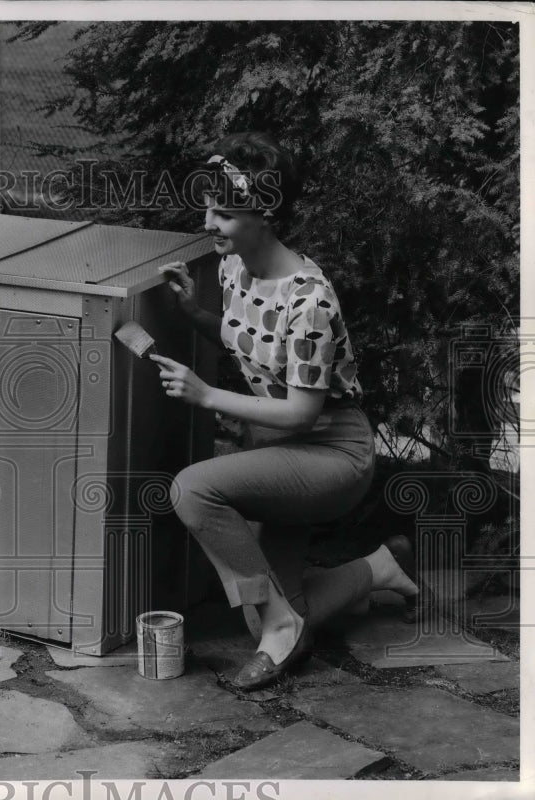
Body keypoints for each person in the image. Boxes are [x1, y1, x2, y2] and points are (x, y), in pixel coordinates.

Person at [152, 132, 428, 691]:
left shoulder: (310, 302)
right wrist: (191, 312)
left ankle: (282, 624)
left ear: (266, 214)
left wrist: (206, 395)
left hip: (331, 455)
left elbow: (302, 414)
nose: (209, 223)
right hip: (280, 451)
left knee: (192, 490)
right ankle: (377, 569)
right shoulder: (235, 270)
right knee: (260, 603)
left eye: (224, 214)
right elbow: (244, 336)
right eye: (208, 207)